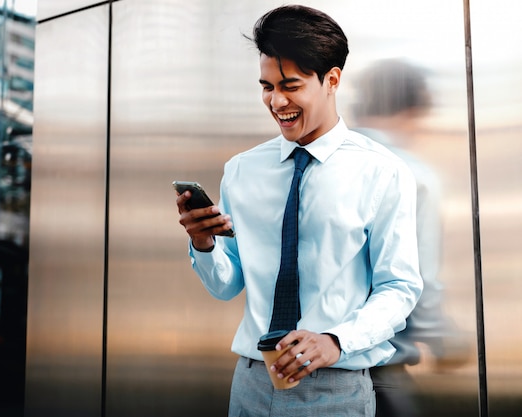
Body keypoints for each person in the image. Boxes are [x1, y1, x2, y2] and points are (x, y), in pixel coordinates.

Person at [175, 6, 423, 417]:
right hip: (251, 383)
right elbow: (227, 283)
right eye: (267, 86)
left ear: (332, 80)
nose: (276, 101)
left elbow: (398, 288)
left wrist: (335, 340)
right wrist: (203, 245)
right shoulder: (242, 170)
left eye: (290, 85)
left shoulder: (382, 171)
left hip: (336, 389)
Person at [352, 59, 471, 417]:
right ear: (414, 109)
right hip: (374, 364)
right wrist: (441, 336)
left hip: (293, 365)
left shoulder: (315, 161)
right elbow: (415, 272)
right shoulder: (411, 175)